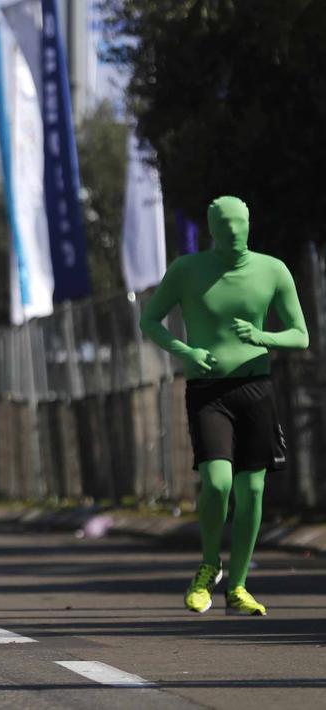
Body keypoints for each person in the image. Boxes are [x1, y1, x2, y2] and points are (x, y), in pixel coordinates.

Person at [140, 196, 307, 616]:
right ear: (211, 228)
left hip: (255, 389)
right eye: (224, 225)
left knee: (252, 490)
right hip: (208, 391)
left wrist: (262, 337)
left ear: (250, 223)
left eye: (240, 223)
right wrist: (185, 351)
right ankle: (209, 565)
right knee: (217, 483)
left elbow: (299, 334)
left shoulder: (273, 270)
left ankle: (239, 586)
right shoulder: (187, 270)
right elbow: (149, 320)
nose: (233, 231)